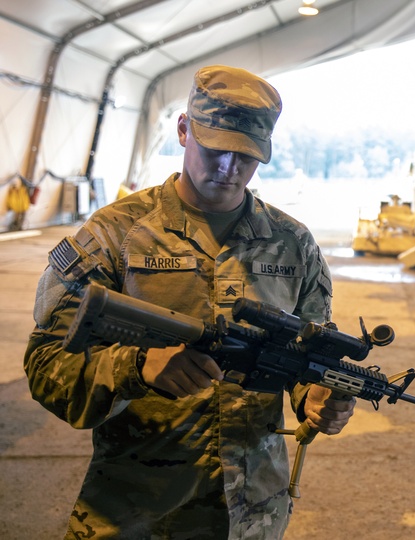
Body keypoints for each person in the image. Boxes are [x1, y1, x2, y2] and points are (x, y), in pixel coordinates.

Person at [24, 65, 356, 538]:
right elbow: (44, 364)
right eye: (215, 148)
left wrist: (316, 396)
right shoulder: (114, 234)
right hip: (136, 510)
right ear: (183, 130)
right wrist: (136, 367)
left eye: (246, 156)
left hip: (251, 515)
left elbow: (307, 356)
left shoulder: (293, 244)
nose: (228, 168)